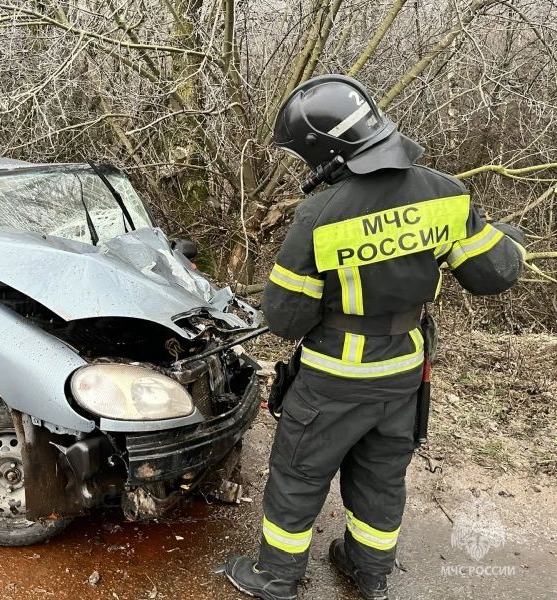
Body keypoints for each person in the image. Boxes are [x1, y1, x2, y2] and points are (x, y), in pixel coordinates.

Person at [223, 74, 527, 600]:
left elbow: (285, 318)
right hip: (403, 374)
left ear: (329, 150)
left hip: (333, 378)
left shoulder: (319, 214)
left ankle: (275, 576)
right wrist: (509, 239)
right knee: (381, 477)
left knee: (299, 473)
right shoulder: (447, 195)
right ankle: (369, 572)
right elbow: (495, 275)